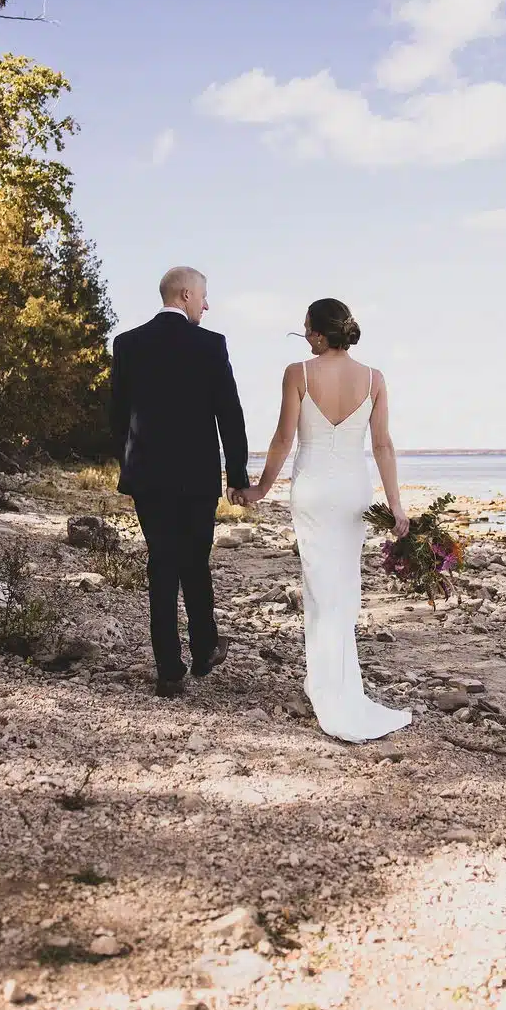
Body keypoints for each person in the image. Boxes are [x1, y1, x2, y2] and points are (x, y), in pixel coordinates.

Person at [242, 298, 412, 743]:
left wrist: (261, 488)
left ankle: (328, 689)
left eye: (305, 329)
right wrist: (397, 506)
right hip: (354, 491)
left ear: (319, 333)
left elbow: (283, 438)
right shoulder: (374, 379)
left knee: (320, 587)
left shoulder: (298, 373)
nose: (304, 337)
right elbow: (383, 447)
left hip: (314, 490)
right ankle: (336, 685)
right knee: (343, 586)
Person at [109, 266, 250, 698]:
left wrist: (128, 462)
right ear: (186, 295)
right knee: (195, 559)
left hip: (147, 476)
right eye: (204, 297)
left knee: (162, 562)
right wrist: (238, 475)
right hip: (197, 477)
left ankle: (169, 669)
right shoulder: (210, 345)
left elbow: (116, 415)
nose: (206, 306)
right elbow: (230, 414)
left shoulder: (128, 343)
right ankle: (205, 647)